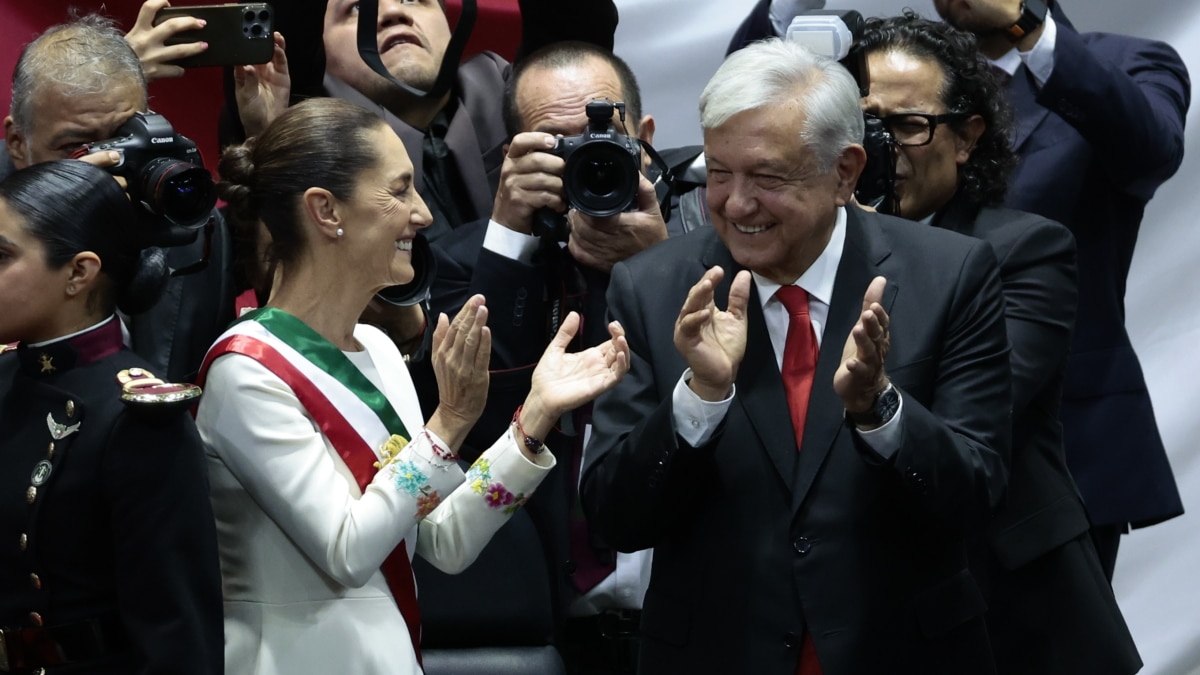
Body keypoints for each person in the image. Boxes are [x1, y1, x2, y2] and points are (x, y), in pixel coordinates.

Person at [581, 38, 1013, 675]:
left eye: (767, 177)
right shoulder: (652, 288)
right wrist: (698, 399)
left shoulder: (949, 275)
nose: (736, 203)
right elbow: (615, 517)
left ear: (845, 171)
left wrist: (882, 412)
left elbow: (978, 495)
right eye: (719, 173)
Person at [193, 96, 631, 675]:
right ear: (325, 211)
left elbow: (442, 542)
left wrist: (534, 419)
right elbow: (348, 551)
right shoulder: (245, 371)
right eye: (399, 191)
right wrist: (448, 422)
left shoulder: (378, 349)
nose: (423, 214)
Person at [856, 13, 1141, 674]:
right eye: (867, 126)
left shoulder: (1023, 246)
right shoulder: (804, 253)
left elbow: (976, 412)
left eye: (909, 125)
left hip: (1013, 607)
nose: (884, 149)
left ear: (966, 137)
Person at [420, 40, 679, 674]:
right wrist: (508, 238)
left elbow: (723, 399)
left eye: (604, 136)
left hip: (688, 611)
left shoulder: (703, 246)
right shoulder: (463, 260)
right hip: (543, 622)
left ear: (644, 136)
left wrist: (657, 268)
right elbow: (477, 421)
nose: (587, 158)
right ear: (512, 155)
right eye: (556, 145)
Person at [931, 0, 1187, 583]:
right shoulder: (904, 76)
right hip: (912, 423)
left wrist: (1026, 26)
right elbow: (755, 113)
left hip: (1066, 446)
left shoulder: (1122, 62)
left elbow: (1151, 151)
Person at [0, 160, 222, 673]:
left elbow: (178, 636)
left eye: (2, 255)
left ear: (79, 272)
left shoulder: (137, 419)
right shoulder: (7, 378)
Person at [224, 0, 619, 241]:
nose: (393, 12)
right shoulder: (296, 132)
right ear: (316, 48)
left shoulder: (523, 103)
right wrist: (275, 132)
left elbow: (576, 20)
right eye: (358, 8)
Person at [3, 12, 236, 383]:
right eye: (77, 148)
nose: (107, 169)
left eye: (124, 138)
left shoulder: (192, 230)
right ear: (18, 143)